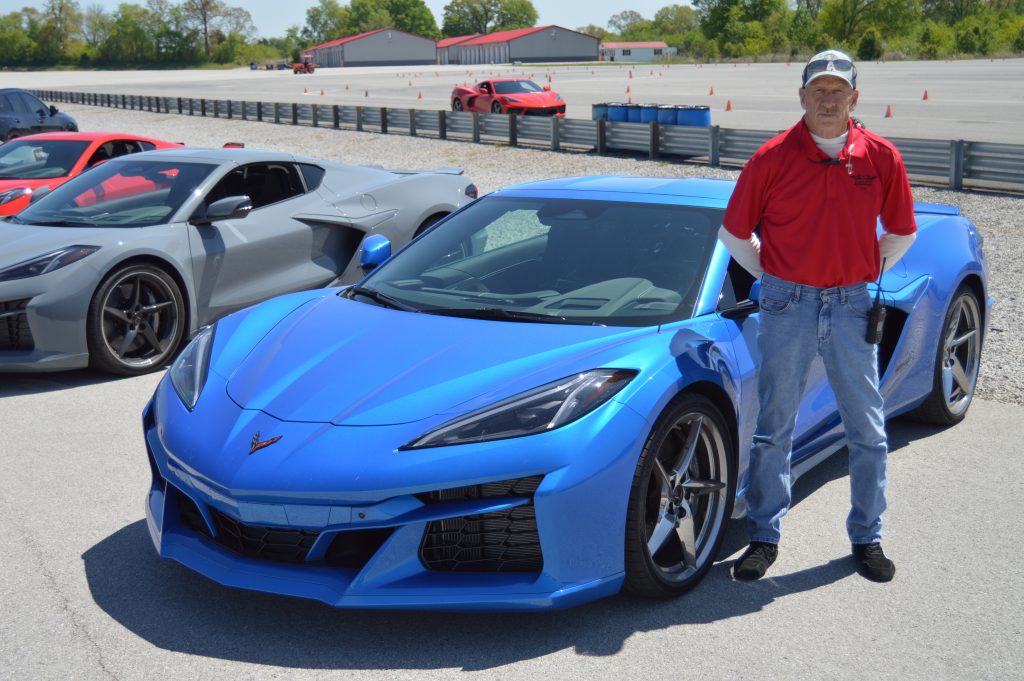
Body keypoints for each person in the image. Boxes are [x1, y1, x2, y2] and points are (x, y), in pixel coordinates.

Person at [719, 49, 917, 583]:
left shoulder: (880, 156)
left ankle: (867, 536)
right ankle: (764, 534)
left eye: (838, 91)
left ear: (855, 98)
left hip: (853, 304)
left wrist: (861, 267)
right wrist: (775, 276)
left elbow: (902, 231)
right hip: (787, 304)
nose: (828, 100)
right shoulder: (771, 158)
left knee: (868, 428)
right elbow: (735, 233)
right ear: (802, 96)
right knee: (773, 426)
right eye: (818, 90)